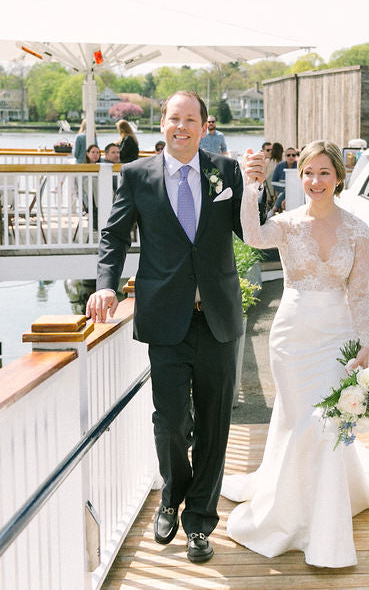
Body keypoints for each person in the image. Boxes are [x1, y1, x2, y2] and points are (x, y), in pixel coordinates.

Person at [86, 90, 266, 565]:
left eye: (190, 120)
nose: (181, 127)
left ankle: (200, 523)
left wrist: (256, 190)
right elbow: (114, 235)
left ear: (205, 127)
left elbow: (252, 234)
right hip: (165, 317)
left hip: (218, 317)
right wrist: (105, 285)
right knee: (170, 421)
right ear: (161, 124)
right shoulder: (136, 175)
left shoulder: (225, 172)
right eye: (173, 118)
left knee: (214, 423)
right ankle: (172, 492)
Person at [222, 139, 369, 568]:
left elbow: (359, 292)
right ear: (300, 176)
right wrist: (252, 188)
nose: (315, 181)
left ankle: (324, 525)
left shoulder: (357, 229)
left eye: (324, 173)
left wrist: (363, 342)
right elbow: (252, 235)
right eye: (308, 173)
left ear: (339, 177)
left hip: (337, 338)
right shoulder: (288, 224)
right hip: (292, 340)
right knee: (303, 423)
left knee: (327, 423)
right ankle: (289, 516)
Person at [270, 146, 298, 213]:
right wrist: (283, 189)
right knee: (287, 190)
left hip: (296, 191)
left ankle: (274, 209)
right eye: (288, 155)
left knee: (289, 190)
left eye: (293, 155)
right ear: (285, 156)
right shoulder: (279, 166)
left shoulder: (299, 166)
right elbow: (273, 182)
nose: (291, 157)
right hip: (282, 190)